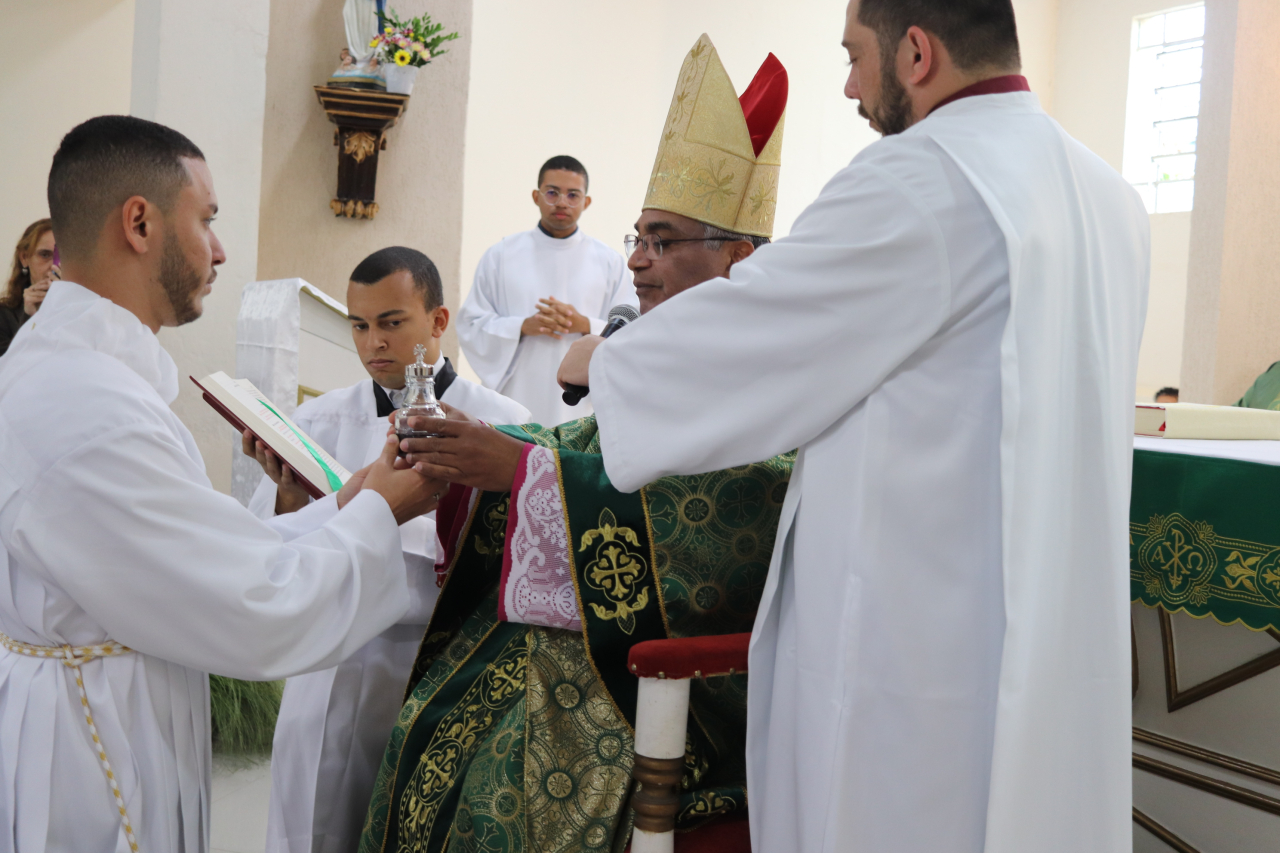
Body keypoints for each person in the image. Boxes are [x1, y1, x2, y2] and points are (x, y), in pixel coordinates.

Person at [558, 7, 1150, 852]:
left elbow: (765, 324)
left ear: (917, 53)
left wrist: (603, 361)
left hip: (914, 647)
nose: (847, 85)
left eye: (855, 56)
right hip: (1052, 637)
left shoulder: (919, 177)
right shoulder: (1110, 197)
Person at [358, 43, 791, 853]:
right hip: (590, 630)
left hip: (672, 677)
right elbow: (587, 439)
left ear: (738, 254)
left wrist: (522, 470)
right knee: (429, 726)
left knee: (499, 793)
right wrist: (477, 448)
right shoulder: (665, 346)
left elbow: (736, 512)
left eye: (662, 241)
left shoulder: (779, 364)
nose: (635, 260)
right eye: (638, 236)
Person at [0, 115, 443, 852]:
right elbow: (252, 603)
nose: (220, 248)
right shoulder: (89, 406)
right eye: (205, 219)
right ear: (139, 223)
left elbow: (205, 547)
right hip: (89, 757)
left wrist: (342, 504)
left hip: (99, 708)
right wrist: (377, 509)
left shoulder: (73, 372)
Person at [249, 245, 529, 853]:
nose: (373, 342)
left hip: (443, 657)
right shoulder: (317, 419)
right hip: (335, 657)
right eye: (359, 325)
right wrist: (288, 498)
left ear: (438, 320)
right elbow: (271, 548)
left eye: (392, 322)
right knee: (318, 824)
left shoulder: (503, 421)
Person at [456, 155, 636, 426]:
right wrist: (522, 327)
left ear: (586, 202)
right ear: (536, 196)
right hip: (516, 395)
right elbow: (471, 324)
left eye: (572, 195)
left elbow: (632, 328)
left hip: (581, 402)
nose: (562, 202)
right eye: (552, 193)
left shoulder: (610, 262)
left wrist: (584, 324)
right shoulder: (501, 255)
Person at [0, 219, 59, 356]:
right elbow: (8, 365)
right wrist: (30, 319)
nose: (53, 266)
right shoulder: (4, 316)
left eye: (61, 256)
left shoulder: (87, 308)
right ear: (24, 257)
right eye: (44, 255)